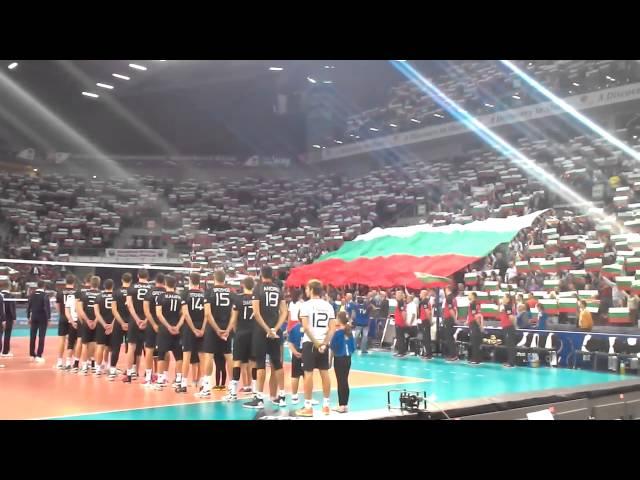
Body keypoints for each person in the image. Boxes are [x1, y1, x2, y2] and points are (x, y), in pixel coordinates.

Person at [244, 266, 288, 409]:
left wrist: (267, 329)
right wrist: (275, 328)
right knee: (277, 363)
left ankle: (259, 398)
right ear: (272, 275)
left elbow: (256, 313)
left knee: (260, 363)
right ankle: (282, 396)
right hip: (275, 331)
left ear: (261, 275)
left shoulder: (258, 288)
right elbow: (284, 312)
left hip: (261, 332)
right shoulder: (278, 289)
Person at [295, 279, 336, 417]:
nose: (306, 291)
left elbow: (305, 327)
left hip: (310, 343)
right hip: (323, 344)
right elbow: (332, 329)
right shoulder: (329, 306)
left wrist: (316, 343)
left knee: (308, 374)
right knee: (325, 373)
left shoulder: (305, 305)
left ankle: (308, 407)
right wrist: (324, 343)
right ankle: (326, 406)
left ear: (312, 290)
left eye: (307, 289)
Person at [199, 269, 234, 398]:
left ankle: (206, 388)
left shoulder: (209, 293)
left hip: (213, 328)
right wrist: (228, 329)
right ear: (224, 279)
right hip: (226, 328)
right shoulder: (231, 294)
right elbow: (233, 314)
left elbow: (207, 314)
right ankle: (232, 387)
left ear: (214, 278)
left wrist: (216, 329)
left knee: (209, 355)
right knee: (228, 355)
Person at [224, 277, 256, 401]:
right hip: (254, 334)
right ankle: (255, 391)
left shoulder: (238, 299)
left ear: (243, 285)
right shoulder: (257, 299)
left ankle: (233, 393)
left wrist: (232, 330)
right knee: (253, 362)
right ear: (253, 286)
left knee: (237, 361)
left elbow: (233, 319)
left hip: (241, 333)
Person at [176, 272, 207, 393]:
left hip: (189, 327)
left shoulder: (185, 294)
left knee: (186, 356)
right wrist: (203, 328)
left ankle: (183, 385)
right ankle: (204, 384)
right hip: (201, 326)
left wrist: (193, 329)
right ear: (199, 281)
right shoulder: (204, 295)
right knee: (202, 357)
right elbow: (207, 314)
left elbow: (185, 313)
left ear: (190, 281)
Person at [154, 275, 184, 390]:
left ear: (166, 284)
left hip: (164, 330)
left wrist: (168, 326)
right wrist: (177, 326)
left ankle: (160, 381)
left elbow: (159, 314)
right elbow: (184, 314)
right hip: (177, 330)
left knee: (161, 354)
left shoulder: (161, 297)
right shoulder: (180, 298)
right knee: (178, 356)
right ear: (175, 285)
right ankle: (178, 380)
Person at [123, 269, 151, 383]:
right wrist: (145, 320)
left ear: (138, 276)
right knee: (148, 348)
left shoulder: (131, 288)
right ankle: (148, 376)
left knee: (131, 347)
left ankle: (129, 374)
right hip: (148, 320)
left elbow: (129, 305)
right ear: (147, 277)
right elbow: (152, 307)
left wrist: (137, 319)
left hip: (134, 320)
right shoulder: (151, 289)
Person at [142, 273, 166, 387]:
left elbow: (146, 311)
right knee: (164, 350)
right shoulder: (167, 293)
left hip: (152, 325)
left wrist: (151, 323)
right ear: (164, 281)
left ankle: (148, 377)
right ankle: (163, 376)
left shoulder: (150, 292)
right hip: (164, 324)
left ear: (155, 280)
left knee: (149, 349)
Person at [330, 311, 355, 414]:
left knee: (341, 382)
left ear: (339, 320)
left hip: (339, 358)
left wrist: (330, 359)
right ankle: (345, 405)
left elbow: (333, 347)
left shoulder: (337, 332)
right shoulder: (349, 332)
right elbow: (353, 348)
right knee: (345, 381)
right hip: (348, 359)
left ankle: (341, 405)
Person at [109, 272, 132, 380]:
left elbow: (114, 310)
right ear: (131, 280)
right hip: (132, 322)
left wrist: (122, 323)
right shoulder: (133, 292)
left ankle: (112, 370)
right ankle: (130, 371)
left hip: (119, 322)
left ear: (122, 280)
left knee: (116, 347)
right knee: (131, 348)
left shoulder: (116, 292)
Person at [77, 276, 101, 374]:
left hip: (86, 323)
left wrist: (87, 320)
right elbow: (100, 311)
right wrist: (95, 321)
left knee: (84, 345)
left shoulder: (84, 294)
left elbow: (80, 309)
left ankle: (84, 366)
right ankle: (93, 365)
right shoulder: (101, 294)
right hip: (97, 322)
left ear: (90, 283)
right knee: (94, 344)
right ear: (99, 284)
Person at [93, 279, 115, 376]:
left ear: (104, 286)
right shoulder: (116, 296)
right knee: (111, 347)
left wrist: (103, 324)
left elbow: (96, 313)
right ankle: (109, 367)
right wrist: (111, 324)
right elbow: (118, 312)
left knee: (100, 346)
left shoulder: (98, 297)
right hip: (113, 325)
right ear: (113, 286)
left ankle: (98, 368)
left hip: (101, 325)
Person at [55, 274, 77, 370]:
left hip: (63, 317)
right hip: (73, 318)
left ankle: (59, 362)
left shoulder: (59, 292)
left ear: (66, 282)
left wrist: (62, 314)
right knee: (73, 341)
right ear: (74, 282)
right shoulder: (76, 292)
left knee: (62, 340)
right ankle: (69, 361)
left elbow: (57, 306)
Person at [27, 279, 50, 363]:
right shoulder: (45, 295)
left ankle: (31, 355)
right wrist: (49, 318)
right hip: (42, 318)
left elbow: (29, 307)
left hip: (34, 317)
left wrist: (28, 317)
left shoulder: (32, 294)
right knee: (41, 336)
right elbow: (47, 308)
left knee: (32, 336)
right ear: (44, 286)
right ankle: (39, 355)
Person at [286, 316, 305, 404]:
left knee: (295, 375)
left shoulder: (294, 328)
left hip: (297, 352)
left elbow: (289, 342)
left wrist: (294, 352)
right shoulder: (308, 328)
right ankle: (308, 397)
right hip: (306, 353)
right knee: (307, 374)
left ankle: (294, 396)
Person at [499, 293, 516, 368]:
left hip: (509, 327)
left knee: (510, 345)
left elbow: (511, 317)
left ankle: (511, 363)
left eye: (504, 297)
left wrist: (513, 326)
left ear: (508, 299)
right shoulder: (504, 307)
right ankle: (509, 361)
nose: (502, 299)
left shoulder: (508, 307)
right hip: (505, 327)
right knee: (508, 345)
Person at [442, 286, 458, 361]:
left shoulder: (449, 298)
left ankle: (453, 355)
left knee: (449, 338)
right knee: (450, 337)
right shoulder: (453, 298)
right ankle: (453, 355)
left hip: (449, 319)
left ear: (446, 289)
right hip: (450, 319)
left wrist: (455, 319)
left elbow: (451, 309)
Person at [0, 279, 16, 358]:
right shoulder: (11, 296)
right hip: (8, 318)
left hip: (1, 318)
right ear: (9, 286)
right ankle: (5, 352)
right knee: (7, 335)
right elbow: (11, 308)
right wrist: (14, 318)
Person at [467, 291, 483, 365]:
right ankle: (477, 359)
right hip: (474, 324)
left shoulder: (473, 304)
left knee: (474, 342)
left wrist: (479, 326)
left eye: (469, 294)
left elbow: (476, 316)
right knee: (476, 342)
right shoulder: (477, 303)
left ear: (473, 296)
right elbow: (480, 315)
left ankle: (475, 359)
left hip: (474, 324)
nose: (468, 295)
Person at [418, 289, 433, 359]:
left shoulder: (424, 302)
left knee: (426, 338)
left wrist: (429, 321)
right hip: (426, 321)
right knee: (427, 337)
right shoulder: (427, 301)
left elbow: (428, 312)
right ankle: (428, 353)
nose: (419, 294)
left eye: (420, 293)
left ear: (424, 294)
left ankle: (428, 354)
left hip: (425, 321)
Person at [393, 290, 407, 357]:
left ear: (400, 296)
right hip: (399, 322)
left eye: (396, 295)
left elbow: (403, 313)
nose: (395, 296)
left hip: (400, 323)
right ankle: (402, 351)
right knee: (401, 337)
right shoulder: (400, 302)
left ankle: (401, 352)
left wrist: (404, 321)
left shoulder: (400, 302)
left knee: (400, 337)